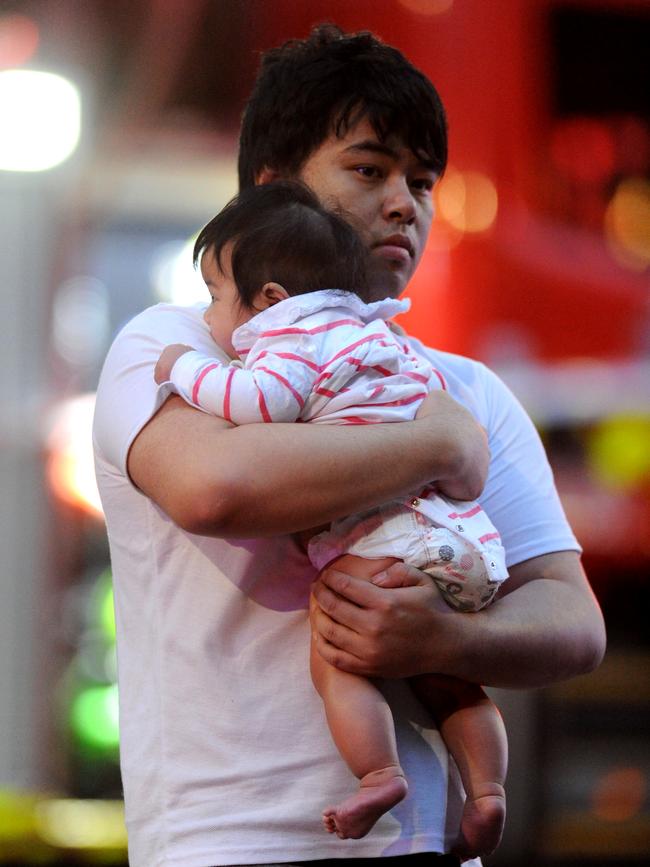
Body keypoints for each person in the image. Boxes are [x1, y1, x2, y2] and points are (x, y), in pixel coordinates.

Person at [93, 23, 606, 867]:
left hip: (430, 846)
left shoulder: (468, 388)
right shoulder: (173, 345)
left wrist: (445, 642)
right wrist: (437, 445)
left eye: (424, 180)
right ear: (270, 189)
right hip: (228, 844)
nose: (406, 202)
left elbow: (574, 621)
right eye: (370, 170)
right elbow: (213, 487)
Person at [153, 179, 509, 856]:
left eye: (216, 298)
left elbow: (259, 399)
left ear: (271, 300)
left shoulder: (290, 336)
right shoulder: (383, 336)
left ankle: (378, 772)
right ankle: (488, 788)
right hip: (462, 542)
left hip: (384, 539)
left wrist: (185, 369)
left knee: (339, 656)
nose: (207, 318)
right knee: (451, 677)